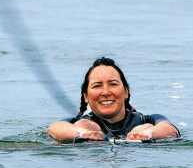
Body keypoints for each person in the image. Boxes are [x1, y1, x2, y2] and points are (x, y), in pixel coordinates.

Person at [47, 57, 181, 143]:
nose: (106, 92)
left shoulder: (146, 120)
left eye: (113, 84)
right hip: (93, 158)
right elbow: (55, 128)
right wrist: (84, 134)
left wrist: (147, 134)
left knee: (145, 127)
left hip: (135, 157)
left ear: (126, 92)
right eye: (97, 85)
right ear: (86, 96)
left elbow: (169, 130)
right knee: (84, 124)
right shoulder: (82, 122)